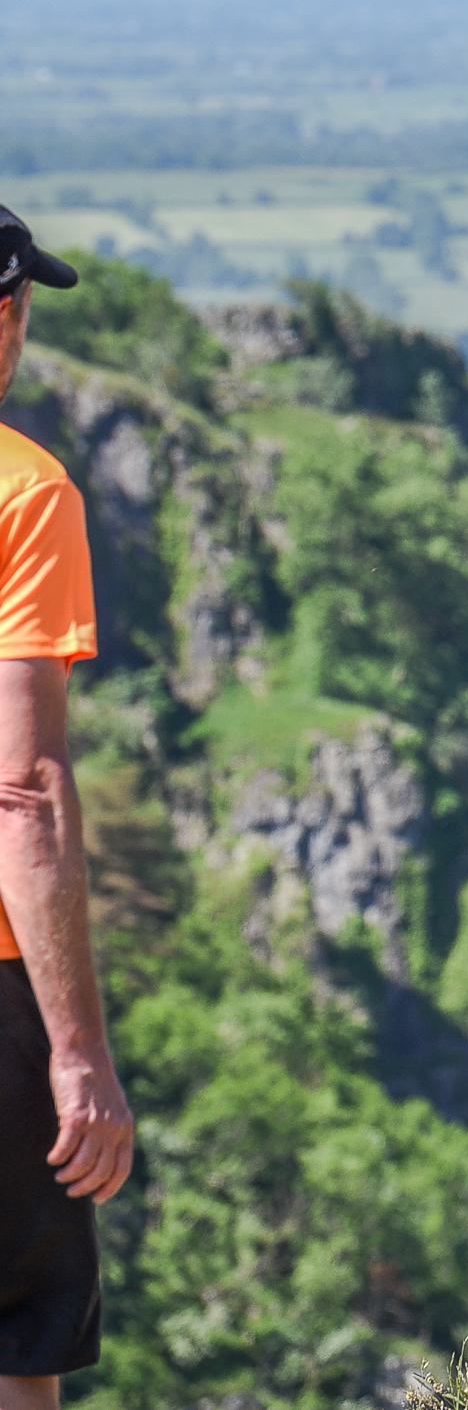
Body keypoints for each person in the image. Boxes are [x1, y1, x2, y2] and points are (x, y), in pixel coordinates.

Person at [0, 207, 135, 1410]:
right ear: (6, 312)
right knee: (19, 1336)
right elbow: (27, 791)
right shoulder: (23, 493)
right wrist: (77, 1051)